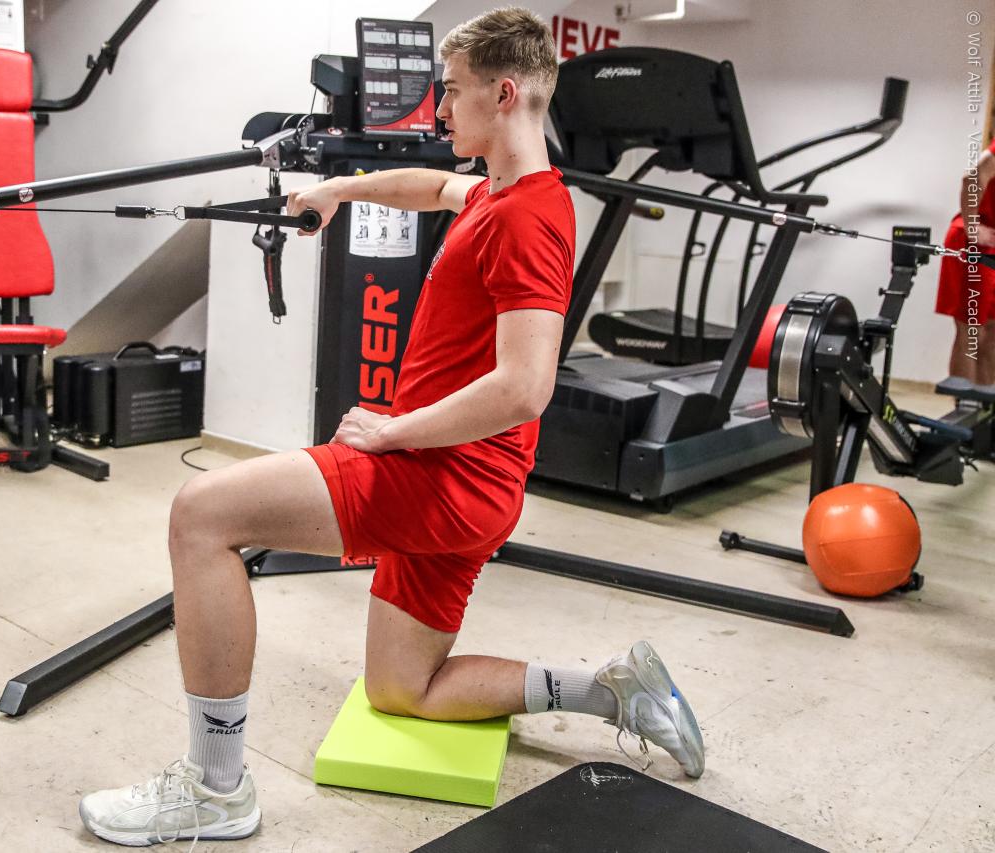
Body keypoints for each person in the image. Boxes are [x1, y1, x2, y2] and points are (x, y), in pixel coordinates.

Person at [78, 8, 704, 847]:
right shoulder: (504, 191)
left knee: (202, 514)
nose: (438, 109)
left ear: (503, 93)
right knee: (403, 688)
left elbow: (525, 387)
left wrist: (395, 432)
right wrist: (338, 190)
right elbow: (432, 187)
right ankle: (609, 689)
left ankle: (215, 787)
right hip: (468, 481)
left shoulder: (523, 218)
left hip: (444, 478)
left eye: (451, 91)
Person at [936, 138, 995, 384]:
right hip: (975, 244)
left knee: (992, 331)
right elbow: (972, 177)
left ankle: (983, 404)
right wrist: (972, 226)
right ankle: (964, 404)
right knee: (971, 331)